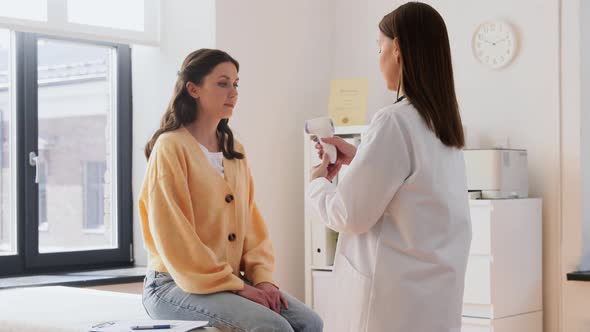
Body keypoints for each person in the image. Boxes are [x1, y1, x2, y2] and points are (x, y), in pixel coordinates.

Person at [307, 2, 471, 332]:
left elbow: (348, 215)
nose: (378, 57)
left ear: (397, 49)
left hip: (388, 308)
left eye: (379, 46)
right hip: (433, 304)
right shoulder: (442, 125)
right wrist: (361, 157)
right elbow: (415, 193)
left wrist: (317, 184)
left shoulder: (393, 121)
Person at [139, 49, 322, 332]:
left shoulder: (233, 149)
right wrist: (237, 287)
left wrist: (262, 279)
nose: (233, 92)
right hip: (173, 283)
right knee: (272, 327)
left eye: (236, 84)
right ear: (193, 88)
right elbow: (174, 235)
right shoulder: (170, 147)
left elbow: (250, 222)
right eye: (223, 83)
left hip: (225, 281)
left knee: (310, 322)